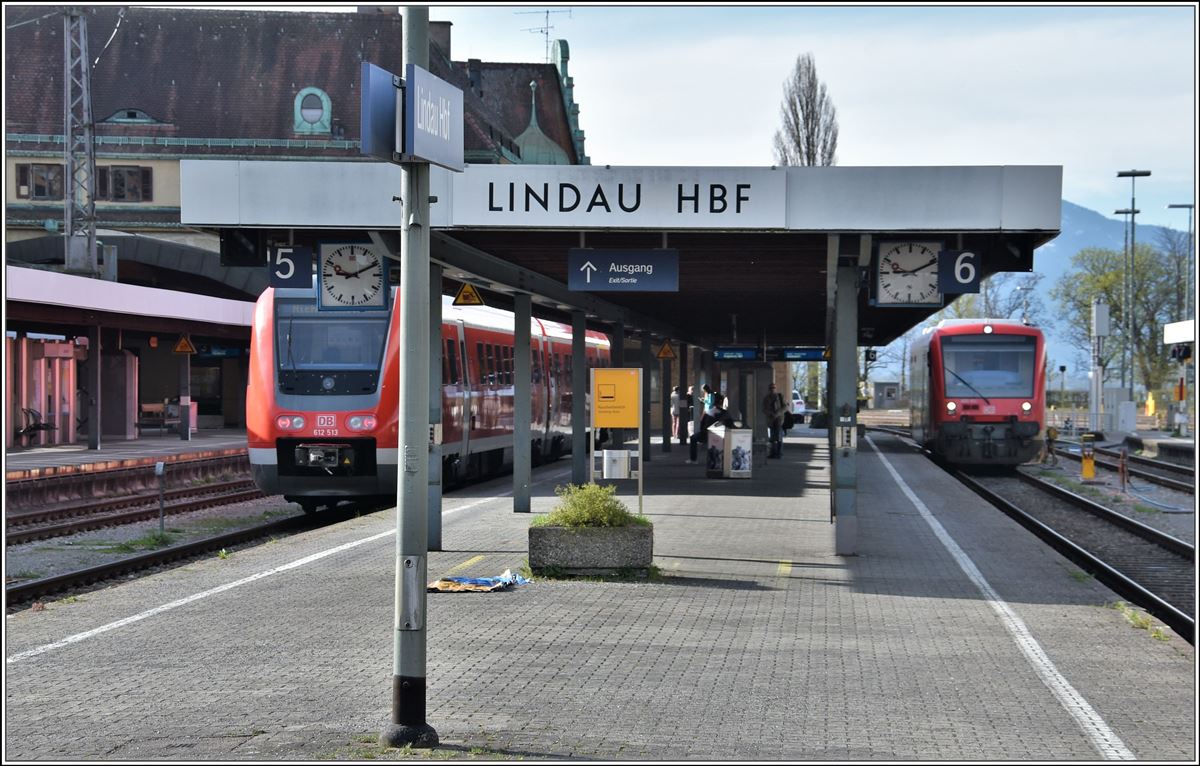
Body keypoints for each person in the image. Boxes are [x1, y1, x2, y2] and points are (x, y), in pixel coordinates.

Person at [687, 391, 734, 464]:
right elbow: (730, 423)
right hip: (723, 434)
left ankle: (693, 459)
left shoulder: (709, 412)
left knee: (693, 438)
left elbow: (703, 424)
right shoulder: (725, 413)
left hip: (708, 434)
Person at [762, 383, 788, 458]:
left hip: (779, 420)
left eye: (774, 388)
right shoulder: (766, 398)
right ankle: (772, 453)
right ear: (769, 389)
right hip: (770, 420)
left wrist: (777, 413)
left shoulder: (780, 396)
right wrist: (770, 413)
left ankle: (779, 453)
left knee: (779, 437)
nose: (772, 389)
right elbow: (763, 409)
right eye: (771, 388)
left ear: (776, 389)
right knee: (772, 438)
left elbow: (785, 407)